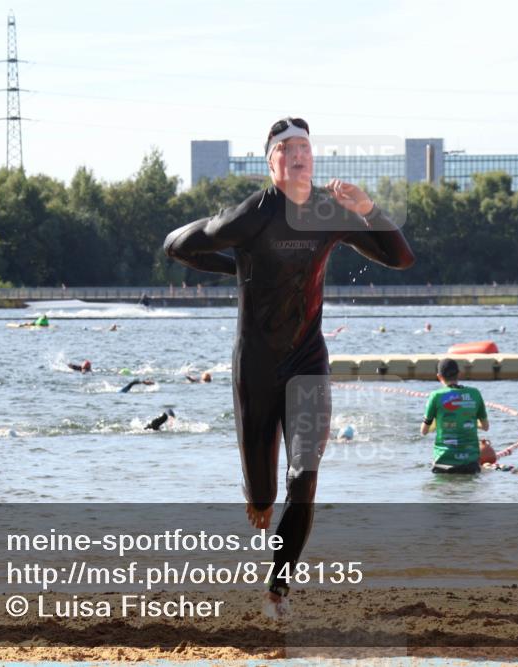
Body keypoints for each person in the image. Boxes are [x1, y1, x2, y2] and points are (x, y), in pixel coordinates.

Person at [164, 116, 414, 618]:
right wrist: (238, 265)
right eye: (287, 148)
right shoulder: (253, 214)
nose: (298, 154)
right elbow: (179, 246)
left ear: (313, 158)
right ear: (271, 162)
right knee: (264, 495)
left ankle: (277, 591)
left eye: (305, 146)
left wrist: (368, 208)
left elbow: (400, 258)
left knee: (305, 480)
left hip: (307, 362)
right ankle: (256, 494)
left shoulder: (328, 210)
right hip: (255, 367)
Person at [420, 359, 490, 474]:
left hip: (443, 461)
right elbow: (486, 427)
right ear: (459, 374)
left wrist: (437, 424)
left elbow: (423, 431)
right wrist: (467, 423)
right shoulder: (475, 393)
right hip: (470, 462)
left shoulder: (436, 396)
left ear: (439, 376)